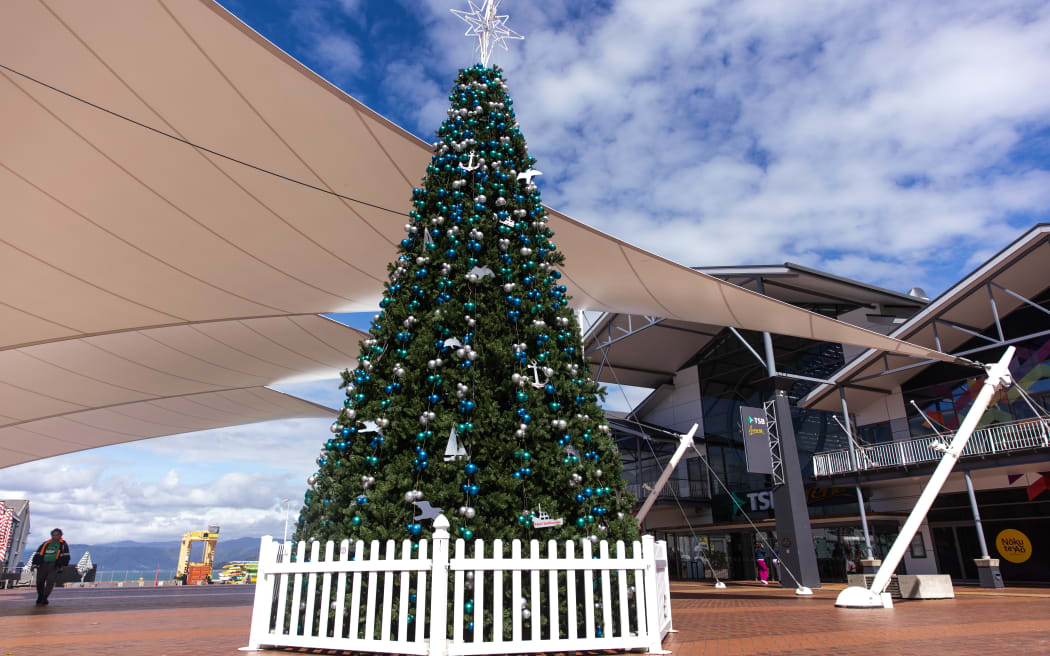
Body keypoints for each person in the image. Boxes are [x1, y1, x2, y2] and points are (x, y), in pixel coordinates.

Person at [31, 528, 70, 605]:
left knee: (50, 581)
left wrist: (65, 565)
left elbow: (66, 555)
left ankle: (45, 597)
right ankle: (40, 595)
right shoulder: (45, 543)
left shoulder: (63, 544)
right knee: (39, 581)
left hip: (54, 565)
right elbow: (38, 554)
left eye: (56, 535)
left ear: (60, 535)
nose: (55, 536)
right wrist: (34, 564)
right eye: (53, 535)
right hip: (43, 564)